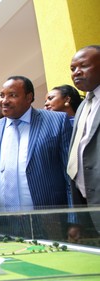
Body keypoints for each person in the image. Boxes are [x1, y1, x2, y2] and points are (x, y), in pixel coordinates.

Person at [0, 76, 72, 237]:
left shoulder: (57, 121)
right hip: (0, 223)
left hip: (48, 221)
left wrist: (74, 220)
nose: (4, 101)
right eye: (1, 95)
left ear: (29, 98)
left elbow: (69, 175)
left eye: (12, 95)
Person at [68, 45, 100, 231]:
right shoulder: (83, 105)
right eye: (72, 69)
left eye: (83, 66)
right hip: (85, 199)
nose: (76, 73)